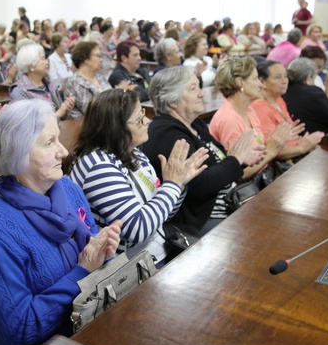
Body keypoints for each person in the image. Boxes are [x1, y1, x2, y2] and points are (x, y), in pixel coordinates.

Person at [0, 98, 122, 345]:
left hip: (86, 323)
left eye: (58, 139)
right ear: (17, 153)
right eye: (49, 142)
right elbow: (18, 329)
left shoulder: (67, 189)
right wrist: (82, 271)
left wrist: (103, 252)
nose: (64, 152)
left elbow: (91, 260)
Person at [67, 89, 208, 266]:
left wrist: (178, 185)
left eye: (144, 114)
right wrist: (171, 185)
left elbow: (162, 215)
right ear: (116, 128)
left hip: (157, 250)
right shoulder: (98, 165)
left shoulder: (133, 154)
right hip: (129, 268)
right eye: (139, 120)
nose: (148, 121)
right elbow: (138, 229)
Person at [141, 66, 265, 234]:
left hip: (229, 202)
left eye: (199, 86)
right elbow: (200, 185)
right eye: (193, 89)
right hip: (199, 219)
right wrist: (235, 160)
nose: (201, 93)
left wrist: (241, 159)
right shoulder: (167, 134)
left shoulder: (194, 123)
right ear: (172, 101)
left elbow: (221, 160)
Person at [209, 57, 295, 181]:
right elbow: (238, 175)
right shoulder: (229, 119)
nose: (261, 85)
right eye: (255, 79)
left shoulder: (248, 110)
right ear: (240, 83)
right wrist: (272, 150)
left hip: (265, 176)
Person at [251, 60, 323, 161]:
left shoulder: (279, 100)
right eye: (278, 77)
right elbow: (271, 151)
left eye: (285, 76)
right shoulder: (259, 107)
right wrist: (302, 148)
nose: (285, 81)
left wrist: (305, 143)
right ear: (262, 81)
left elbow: (291, 136)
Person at [9, 43, 74, 120]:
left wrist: (66, 107)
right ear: (31, 66)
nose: (47, 62)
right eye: (43, 59)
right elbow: (27, 125)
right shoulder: (20, 91)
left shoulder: (50, 85)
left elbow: (62, 117)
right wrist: (58, 113)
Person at [63, 41, 111, 119]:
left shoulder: (99, 77)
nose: (101, 60)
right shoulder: (75, 82)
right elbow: (93, 112)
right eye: (98, 56)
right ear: (85, 59)